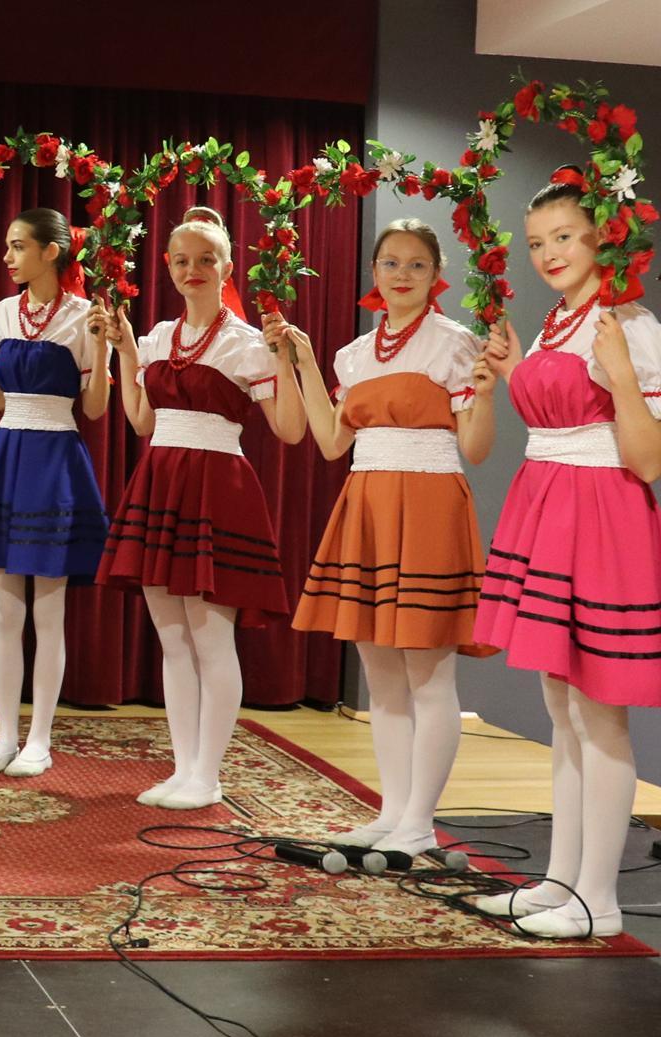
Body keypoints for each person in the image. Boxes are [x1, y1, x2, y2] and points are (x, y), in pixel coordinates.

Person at [466, 170, 661, 939]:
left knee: (597, 709)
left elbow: (647, 458)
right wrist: (516, 370)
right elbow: (559, 414)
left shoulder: (630, 325)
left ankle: (598, 899)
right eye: (538, 241)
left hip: (601, 514)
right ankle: (561, 881)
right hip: (547, 502)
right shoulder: (556, 321)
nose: (549, 253)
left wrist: (622, 373)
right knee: (561, 706)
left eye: (564, 237)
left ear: (602, 238)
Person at [269, 219, 495, 856]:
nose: (402, 274)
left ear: (436, 274)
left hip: (428, 506)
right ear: (374, 272)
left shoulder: (455, 344)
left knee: (428, 672)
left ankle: (419, 822)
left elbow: (476, 448)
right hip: (367, 501)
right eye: (391, 262)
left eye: (417, 264)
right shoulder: (354, 354)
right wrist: (302, 361)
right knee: (381, 674)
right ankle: (392, 813)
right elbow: (330, 441)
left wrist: (487, 394)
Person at [93, 217, 305, 810]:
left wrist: (285, 361)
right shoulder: (159, 338)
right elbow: (142, 421)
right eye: (182, 260)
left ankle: (208, 776)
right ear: (167, 266)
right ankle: (183, 770)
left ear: (227, 268)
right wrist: (125, 351)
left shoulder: (247, 343)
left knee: (211, 640)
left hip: (218, 490)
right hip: (161, 483)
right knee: (173, 639)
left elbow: (290, 430)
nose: (194, 270)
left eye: (207, 259)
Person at [0, 209, 110, 776]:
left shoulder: (83, 317)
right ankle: (5, 736)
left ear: (51, 251)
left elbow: (95, 408)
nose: (8, 257)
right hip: (8, 454)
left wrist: (104, 350)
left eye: (18, 246)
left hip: (56, 461)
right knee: (6, 610)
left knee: (49, 610)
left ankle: (40, 739)